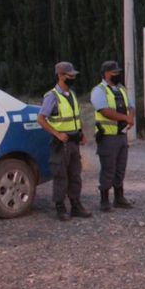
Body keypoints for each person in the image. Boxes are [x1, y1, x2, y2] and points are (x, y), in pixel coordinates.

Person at [37, 62, 92, 221]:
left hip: (74, 142)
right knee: (61, 175)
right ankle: (60, 207)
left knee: (75, 174)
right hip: (60, 144)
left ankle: (75, 205)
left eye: (74, 75)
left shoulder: (72, 94)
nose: (73, 78)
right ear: (60, 75)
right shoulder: (52, 96)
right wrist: (57, 134)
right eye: (70, 76)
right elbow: (41, 119)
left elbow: (75, 117)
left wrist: (81, 133)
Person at [91, 60, 135, 212]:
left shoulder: (121, 89)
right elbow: (104, 111)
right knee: (108, 169)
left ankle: (119, 197)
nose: (118, 74)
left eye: (118, 72)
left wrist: (131, 117)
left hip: (121, 135)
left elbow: (131, 106)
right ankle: (104, 200)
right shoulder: (99, 91)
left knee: (120, 168)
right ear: (106, 74)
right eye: (114, 72)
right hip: (108, 137)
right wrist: (125, 118)